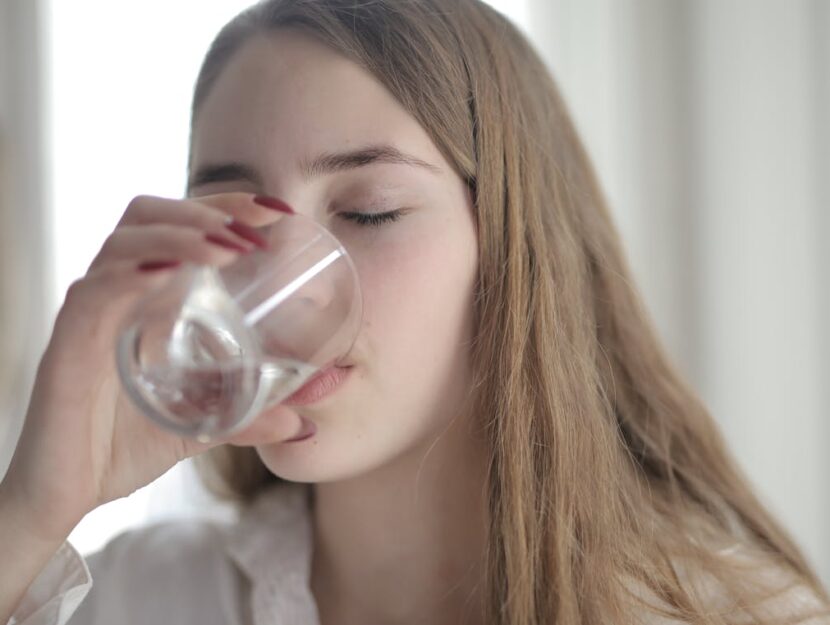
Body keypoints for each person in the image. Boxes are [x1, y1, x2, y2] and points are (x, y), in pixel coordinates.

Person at [2, 0, 829, 623]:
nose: (289, 282)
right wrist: (31, 511)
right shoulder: (137, 599)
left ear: (513, 245)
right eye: (233, 218)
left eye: (368, 211)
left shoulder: (728, 613)